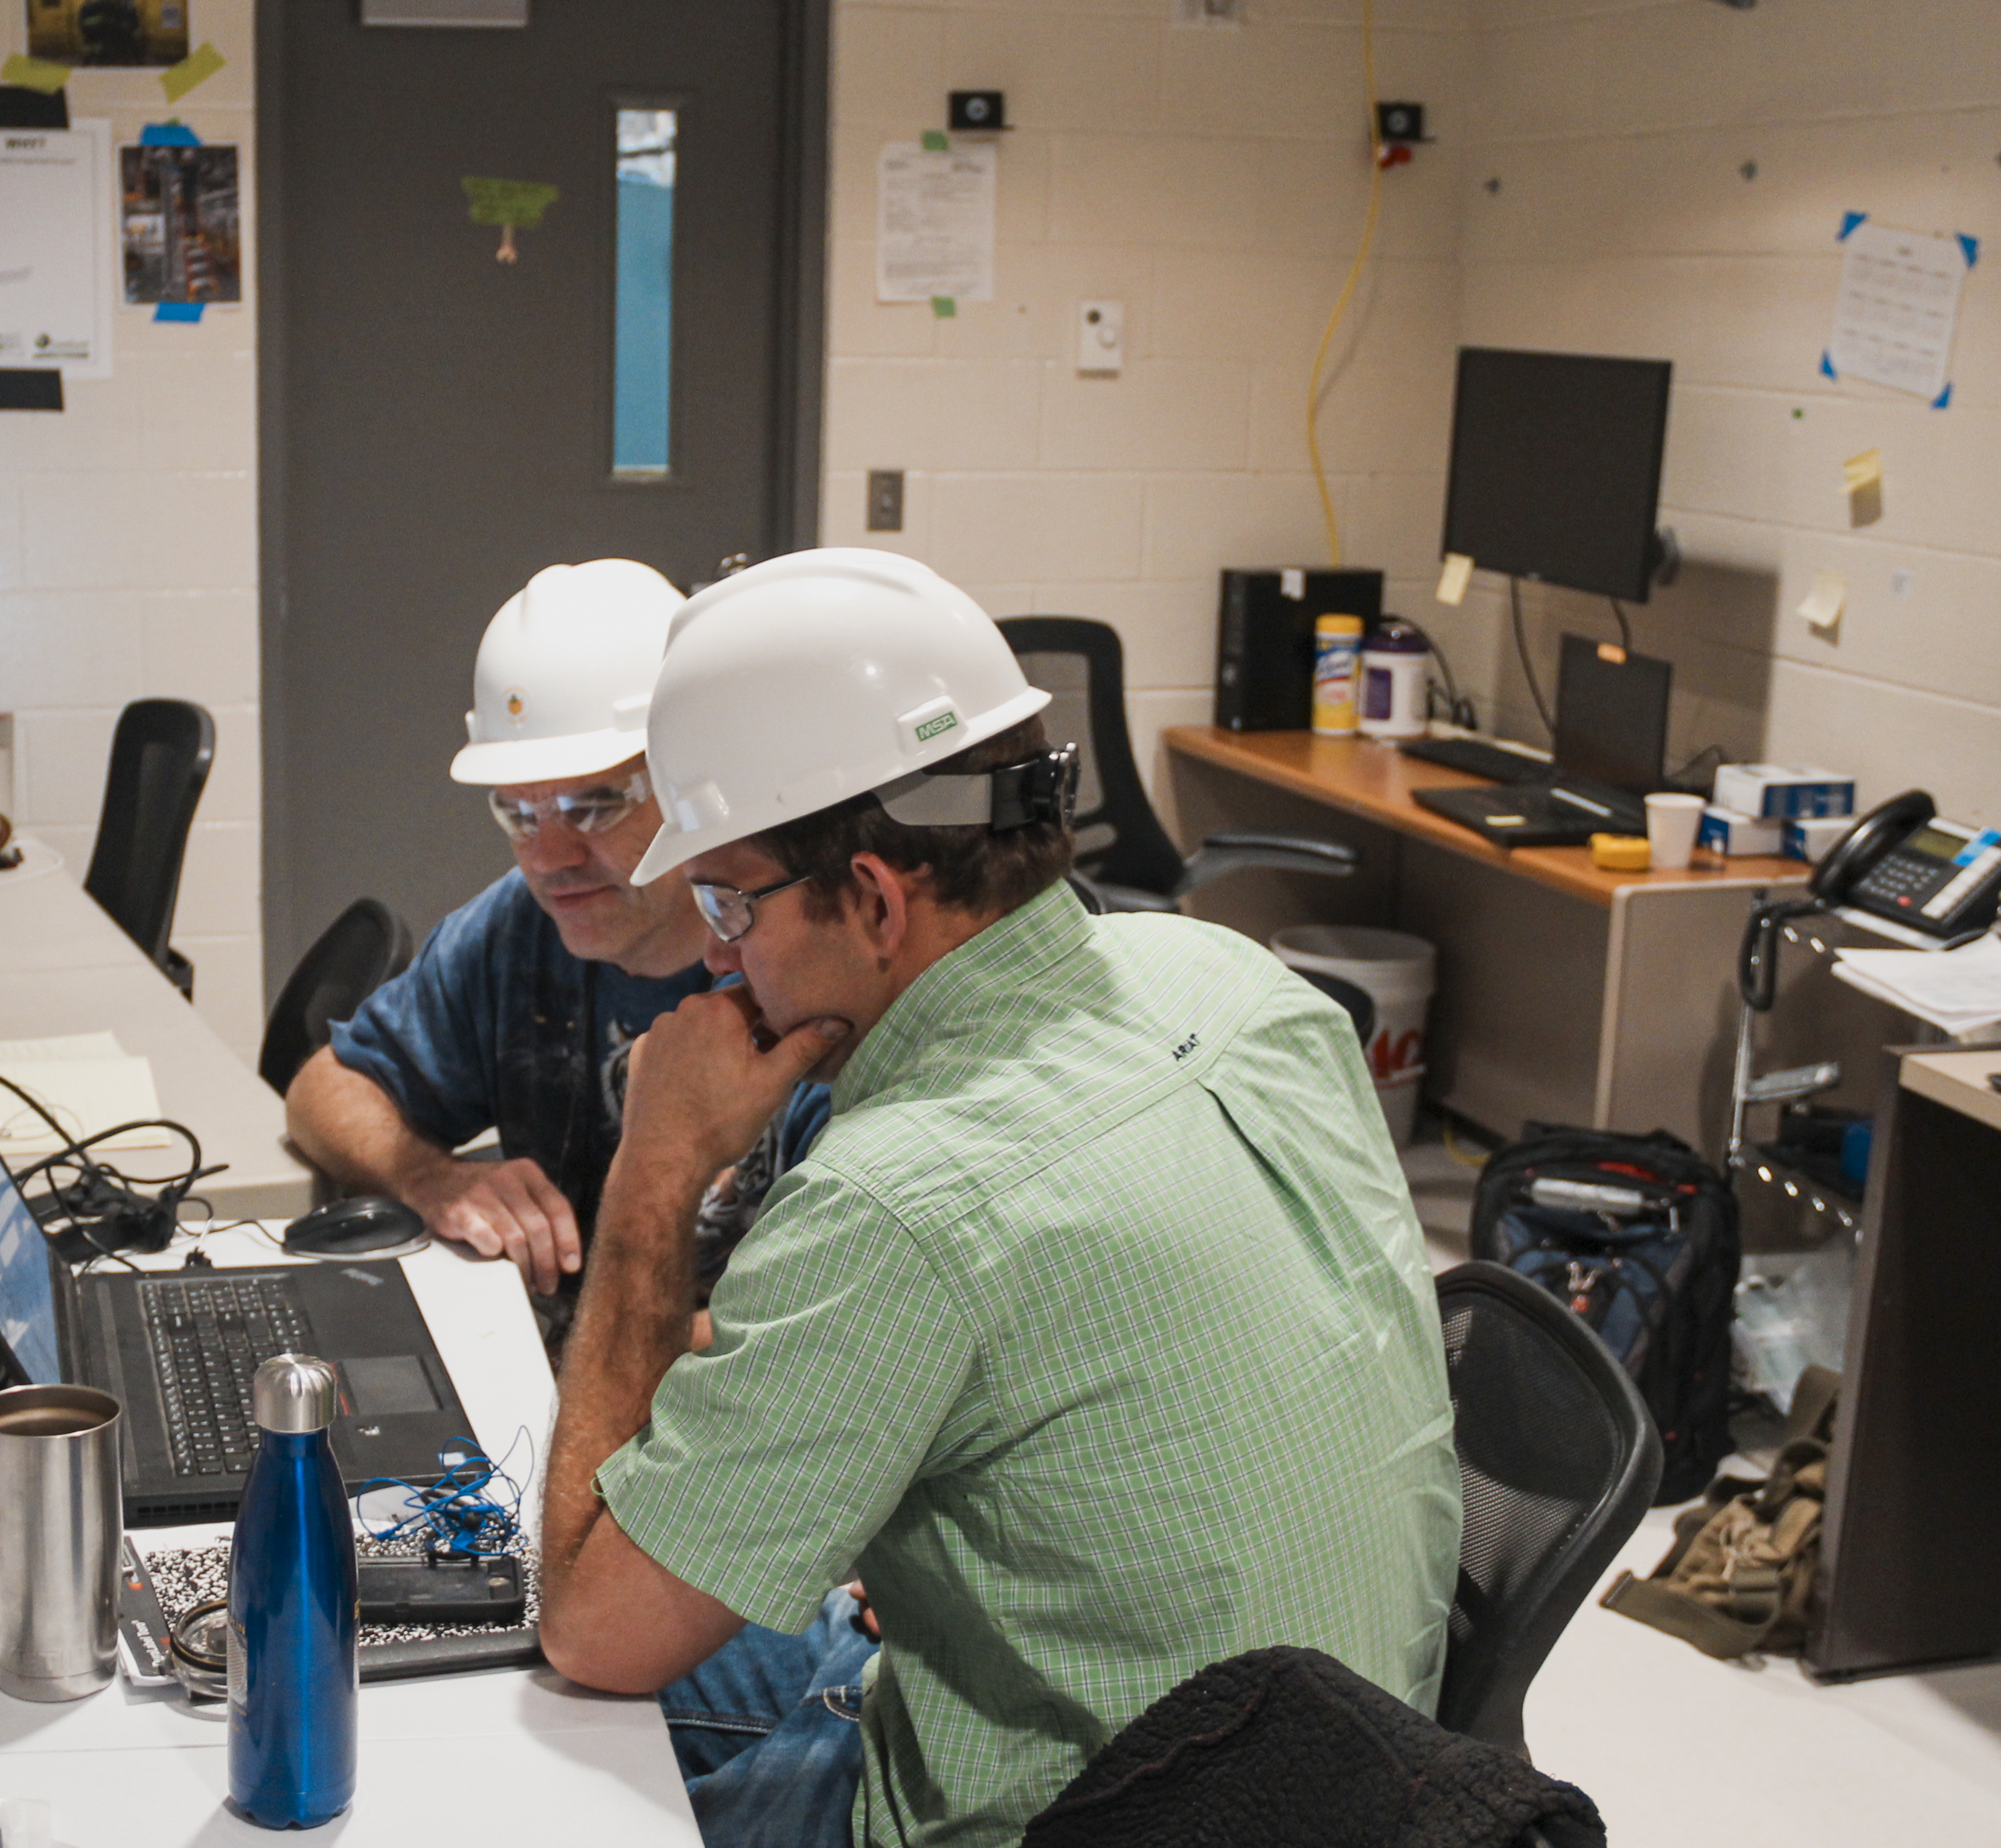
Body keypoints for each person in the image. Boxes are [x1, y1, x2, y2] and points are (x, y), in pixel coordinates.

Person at [537, 549, 1462, 1848]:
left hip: (1079, 1819)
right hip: (1355, 1782)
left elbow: (594, 1628)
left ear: (869, 898)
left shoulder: (901, 1201)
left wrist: (654, 1173)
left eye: (725, 900)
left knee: (526, 1740)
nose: (711, 954)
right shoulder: (1240, 988)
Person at [284, 560, 827, 1310]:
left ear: (691, 776)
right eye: (519, 814)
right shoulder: (519, 928)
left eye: (593, 806)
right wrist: (431, 1178)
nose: (549, 859)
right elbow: (324, 1089)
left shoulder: (799, 963)